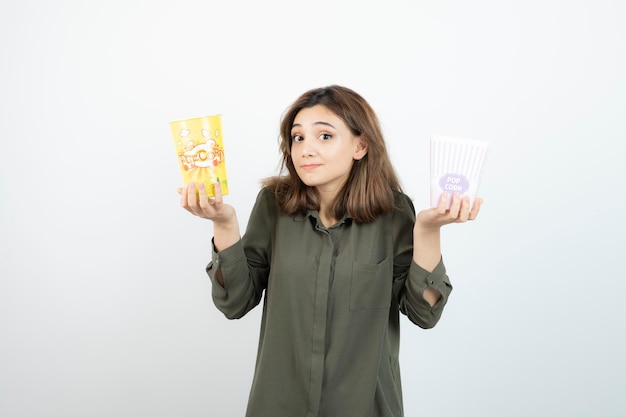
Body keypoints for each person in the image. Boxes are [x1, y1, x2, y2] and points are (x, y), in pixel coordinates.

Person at [180, 85, 482, 417]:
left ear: (360, 145)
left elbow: (425, 314)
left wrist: (428, 230)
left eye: (324, 136)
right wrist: (224, 224)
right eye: (298, 138)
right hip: (279, 406)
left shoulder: (394, 213)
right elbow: (233, 302)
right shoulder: (274, 206)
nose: (306, 149)